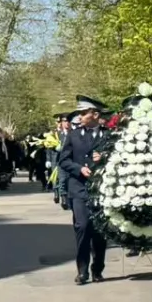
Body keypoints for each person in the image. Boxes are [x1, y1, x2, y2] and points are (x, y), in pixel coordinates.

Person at [56, 97, 111, 285]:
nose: (79, 117)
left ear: (95, 115)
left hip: (102, 189)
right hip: (79, 188)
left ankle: (98, 269)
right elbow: (63, 160)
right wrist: (79, 168)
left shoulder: (109, 135)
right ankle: (82, 270)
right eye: (79, 113)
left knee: (99, 230)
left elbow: (120, 158)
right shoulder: (73, 135)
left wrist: (104, 157)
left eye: (83, 113)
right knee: (83, 226)